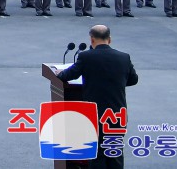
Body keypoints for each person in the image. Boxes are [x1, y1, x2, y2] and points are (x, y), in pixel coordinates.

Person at [57, 25, 139, 169]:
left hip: (94, 113)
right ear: (110, 39)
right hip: (117, 113)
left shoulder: (86, 57)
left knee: (97, 153)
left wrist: (59, 73)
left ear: (92, 39)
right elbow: (133, 80)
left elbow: (67, 76)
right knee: (115, 151)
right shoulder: (124, 57)